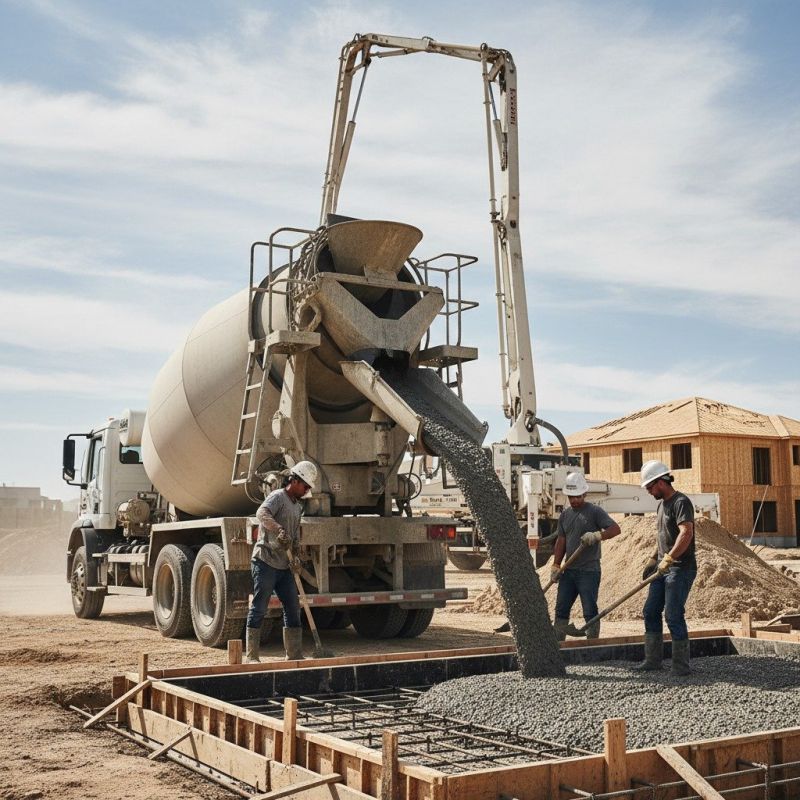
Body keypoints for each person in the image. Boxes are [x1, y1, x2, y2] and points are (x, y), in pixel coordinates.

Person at [245, 460, 319, 664]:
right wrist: (278, 530)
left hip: (284, 565)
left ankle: (293, 654)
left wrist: (296, 557)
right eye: (305, 486)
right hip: (266, 561)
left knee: (293, 606)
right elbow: (262, 513)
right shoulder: (278, 496)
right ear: (294, 480)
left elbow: (294, 536)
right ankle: (252, 655)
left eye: (308, 488)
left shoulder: (297, 507)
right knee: (260, 606)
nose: (306, 491)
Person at [635, 459, 696, 676]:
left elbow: (685, 533)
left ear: (661, 481)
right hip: (663, 567)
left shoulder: (681, 502)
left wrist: (669, 558)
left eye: (650, 487)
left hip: (680, 568)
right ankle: (653, 660)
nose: (649, 491)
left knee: (672, 614)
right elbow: (663, 538)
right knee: (650, 611)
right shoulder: (661, 505)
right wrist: (653, 560)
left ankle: (681, 666)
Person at [552, 471, 621, 641]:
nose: (574, 500)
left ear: (584, 493)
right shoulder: (565, 515)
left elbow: (615, 529)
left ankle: (592, 644)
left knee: (589, 609)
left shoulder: (594, 512)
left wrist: (597, 536)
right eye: (571, 497)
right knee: (561, 609)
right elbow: (561, 540)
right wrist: (556, 565)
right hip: (569, 570)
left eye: (578, 496)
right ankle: (557, 646)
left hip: (589, 571)